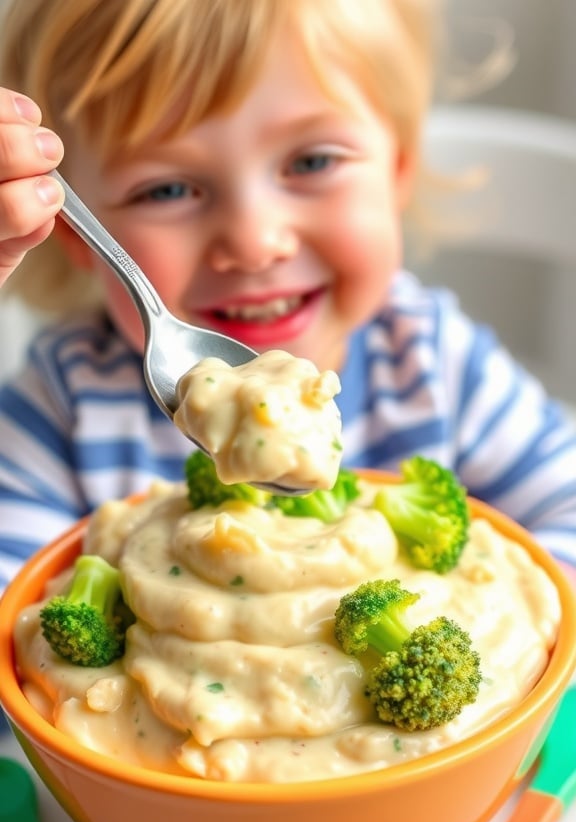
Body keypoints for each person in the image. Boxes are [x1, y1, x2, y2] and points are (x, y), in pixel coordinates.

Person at [0, 0, 575, 735]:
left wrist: (496, 626)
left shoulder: (435, 357)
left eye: (311, 162)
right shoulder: (58, 407)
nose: (255, 240)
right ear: (76, 235)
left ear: (397, 171)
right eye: (168, 189)